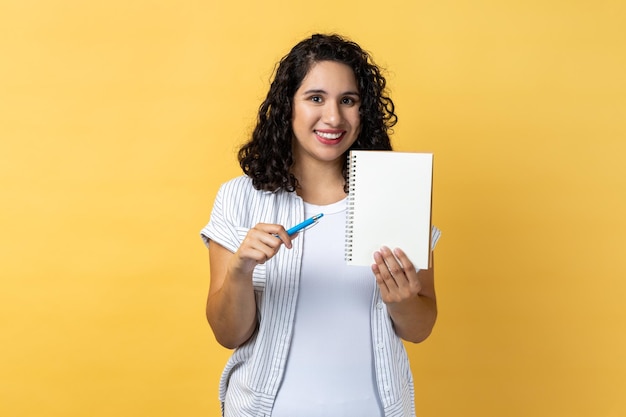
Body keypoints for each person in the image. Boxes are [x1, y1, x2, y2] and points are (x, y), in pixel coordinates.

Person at [200, 33, 438, 417]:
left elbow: (420, 328)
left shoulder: (399, 195)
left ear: (365, 110)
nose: (333, 117)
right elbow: (228, 335)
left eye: (348, 100)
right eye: (315, 98)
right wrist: (240, 270)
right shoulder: (239, 197)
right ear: (287, 107)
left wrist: (404, 298)